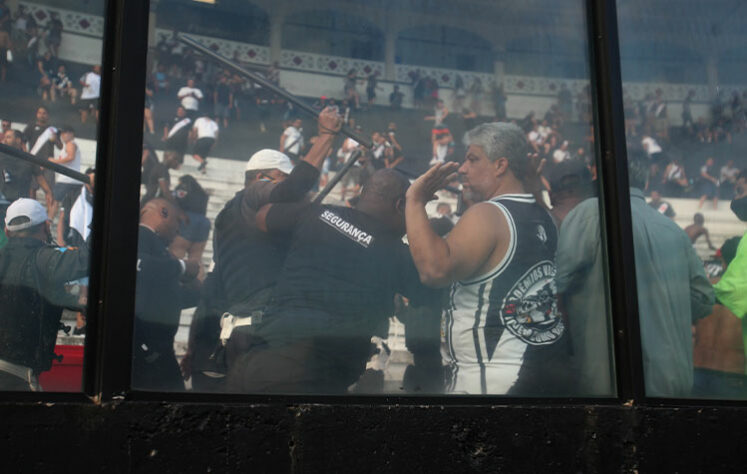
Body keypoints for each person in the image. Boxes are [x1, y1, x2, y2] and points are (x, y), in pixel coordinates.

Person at [227, 169, 441, 393]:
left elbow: (262, 216)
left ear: (362, 193)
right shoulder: (396, 253)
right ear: (400, 206)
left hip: (254, 358)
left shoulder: (315, 213)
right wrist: (417, 208)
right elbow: (436, 280)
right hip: (304, 374)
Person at [182, 107, 342, 392]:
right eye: (282, 177)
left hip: (240, 335)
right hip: (267, 334)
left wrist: (194, 349)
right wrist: (326, 137)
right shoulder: (255, 192)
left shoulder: (227, 224)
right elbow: (293, 189)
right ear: (263, 177)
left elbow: (211, 292)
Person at [405, 122, 569, 395]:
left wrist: (414, 200)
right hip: (538, 373)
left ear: (500, 165)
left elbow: (434, 271)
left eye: (473, 159)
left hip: (489, 382)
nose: (462, 168)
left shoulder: (488, 215)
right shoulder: (547, 217)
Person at [626, 152, 714, 397]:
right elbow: (704, 299)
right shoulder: (676, 230)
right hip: (668, 376)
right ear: (645, 186)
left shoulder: (590, 218)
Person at [0, 198, 89, 390]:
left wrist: (78, 301)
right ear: (47, 227)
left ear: (7, 231)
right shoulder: (44, 258)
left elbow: (46, 294)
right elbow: (85, 260)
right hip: (17, 377)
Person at [552, 161, 615, 396]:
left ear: (553, 194)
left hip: (564, 347)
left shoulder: (545, 221)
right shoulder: (611, 214)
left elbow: (555, 288)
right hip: (613, 355)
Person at [133, 198, 200, 391]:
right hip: (143, 348)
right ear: (163, 212)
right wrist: (182, 266)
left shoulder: (158, 247)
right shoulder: (139, 236)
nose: (178, 231)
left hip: (159, 349)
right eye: (178, 222)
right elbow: (139, 265)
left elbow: (168, 296)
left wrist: (200, 289)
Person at [2, 129, 53, 205]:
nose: (4, 140)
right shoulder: (1, 155)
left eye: (8, 137)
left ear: (18, 140)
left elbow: (40, 177)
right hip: (2, 199)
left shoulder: (29, 159)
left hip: (20, 201)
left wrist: (48, 192)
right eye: (4, 137)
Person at [169, 175, 210, 269]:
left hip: (187, 219)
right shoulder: (201, 193)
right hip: (204, 222)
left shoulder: (183, 187)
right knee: (196, 259)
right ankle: (198, 282)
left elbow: (173, 199)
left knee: (176, 253)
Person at [47, 126, 82, 220]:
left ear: (72, 134)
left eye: (65, 133)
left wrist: (53, 161)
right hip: (73, 180)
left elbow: (71, 157)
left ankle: (49, 221)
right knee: (69, 206)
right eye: (61, 133)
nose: (62, 135)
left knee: (54, 201)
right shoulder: (68, 145)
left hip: (66, 180)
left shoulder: (71, 144)